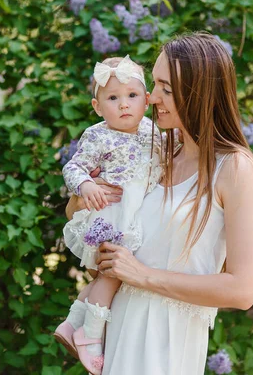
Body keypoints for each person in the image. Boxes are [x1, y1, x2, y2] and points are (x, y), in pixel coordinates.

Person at [65, 32, 253, 374]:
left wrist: (143, 275)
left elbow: (243, 290)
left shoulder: (232, 168)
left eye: (166, 89)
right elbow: (75, 214)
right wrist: (87, 197)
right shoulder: (155, 150)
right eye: (155, 84)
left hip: (167, 342)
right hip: (118, 330)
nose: (152, 96)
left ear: (199, 93)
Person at [54, 55, 162, 374]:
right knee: (112, 273)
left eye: (131, 95)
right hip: (111, 214)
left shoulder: (153, 131)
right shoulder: (98, 134)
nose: (124, 104)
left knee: (105, 275)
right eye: (113, 98)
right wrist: (86, 185)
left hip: (133, 212)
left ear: (146, 99)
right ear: (98, 106)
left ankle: (72, 322)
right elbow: (73, 166)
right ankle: (90, 336)